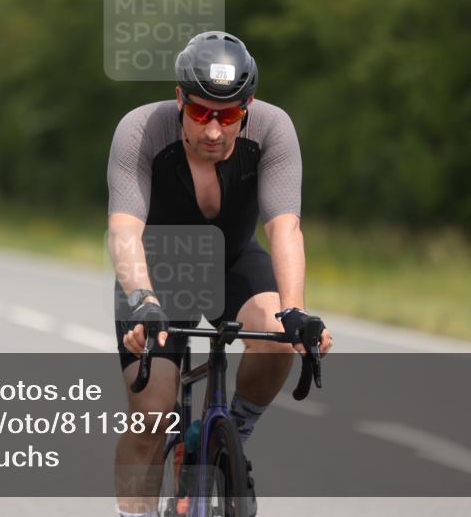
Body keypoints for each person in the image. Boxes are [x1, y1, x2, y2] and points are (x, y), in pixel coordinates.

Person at [107, 31, 334, 517]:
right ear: (179, 100)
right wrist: (143, 298)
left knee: (276, 331)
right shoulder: (140, 130)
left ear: (247, 107)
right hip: (159, 267)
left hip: (234, 259)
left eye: (228, 115)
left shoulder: (273, 129)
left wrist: (295, 311)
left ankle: (234, 435)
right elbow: (124, 230)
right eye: (201, 112)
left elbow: (285, 228)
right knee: (152, 415)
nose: (214, 130)